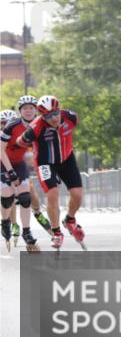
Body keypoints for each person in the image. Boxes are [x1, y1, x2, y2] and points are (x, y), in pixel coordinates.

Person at [12, 95, 87, 249]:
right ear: (41, 116)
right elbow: (19, 142)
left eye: (55, 113)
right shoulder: (35, 127)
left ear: (59, 109)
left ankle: (70, 220)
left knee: (78, 195)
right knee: (52, 194)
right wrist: (27, 144)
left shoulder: (71, 117)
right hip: (45, 163)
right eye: (47, 116)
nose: (53, 118)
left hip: (67, 159)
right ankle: (57, 232)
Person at [0, 95, 53, 238]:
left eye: (31, 108)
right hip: (3, 164)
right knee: (7, 196)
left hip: (19, 162)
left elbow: (35, 150)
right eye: (2, 123)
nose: (4, 125)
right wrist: (10, 172)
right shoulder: (9, 129)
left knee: (26, 195)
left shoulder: (37, 126)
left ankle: (34, 218)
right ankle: (8, 222)